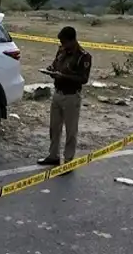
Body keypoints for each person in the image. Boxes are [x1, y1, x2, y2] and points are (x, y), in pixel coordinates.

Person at [39, 26, 93, 167]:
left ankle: (68, 160)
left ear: (72, 40)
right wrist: (51, 70)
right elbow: (55, 64)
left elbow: (83, 79)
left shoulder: (83, 56)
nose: (62, 44)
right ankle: (53, 156)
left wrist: (63, 76)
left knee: (71, 130)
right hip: (58, 93)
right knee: (54, 128)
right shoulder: (61, 51)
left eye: (64, 42)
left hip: (71, 96)